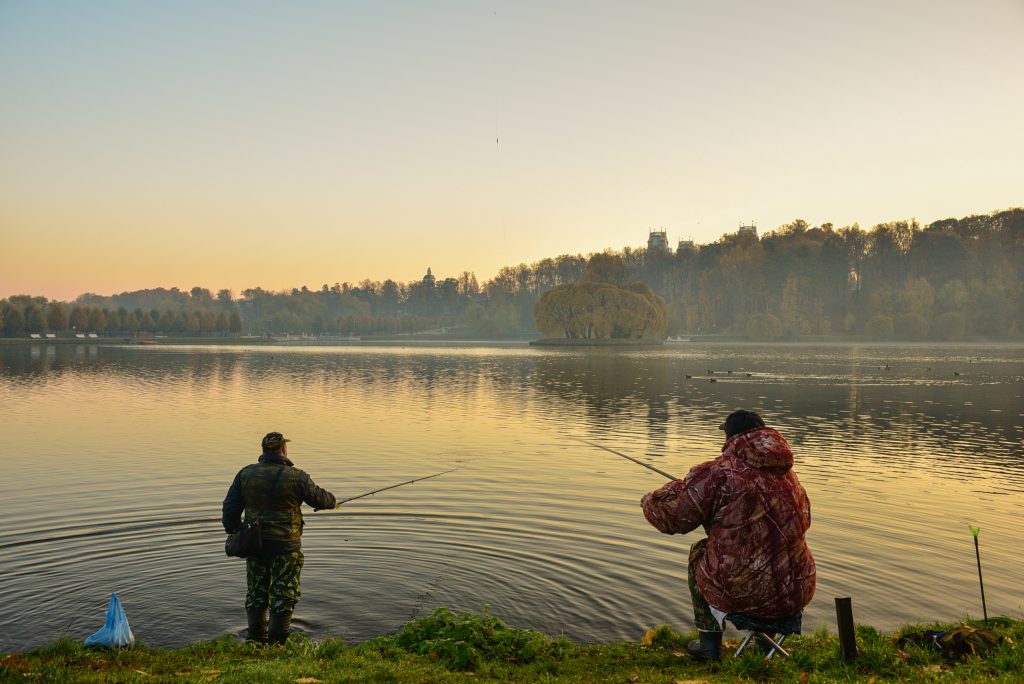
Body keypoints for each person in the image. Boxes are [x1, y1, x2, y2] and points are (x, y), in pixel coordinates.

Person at [640, 410, 816, 661]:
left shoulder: (719, 473)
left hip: (745, 592)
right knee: (770, 554)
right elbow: (805, 520)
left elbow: (673, 520)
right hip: (796, 590)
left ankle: (708, 647)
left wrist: (651, 500)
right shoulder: (790, 477)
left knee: (700, 554)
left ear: (731, 436)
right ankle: (766, 646)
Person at [222, 432, 337, 644]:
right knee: (284, 594)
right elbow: (320, 499)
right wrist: (332, 502)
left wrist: (235, 530)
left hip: (254, 544)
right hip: (286, 546)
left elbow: (230, 508)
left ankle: (255, 640)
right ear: (284, 450)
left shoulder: (245, 474)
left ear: (264, 450)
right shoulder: (297, 476)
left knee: (256, 592)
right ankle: (279, 642)